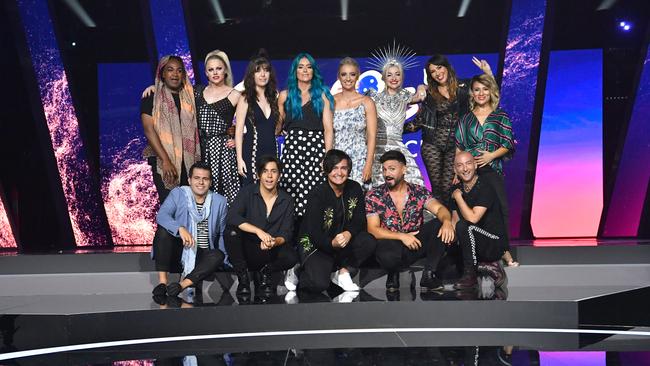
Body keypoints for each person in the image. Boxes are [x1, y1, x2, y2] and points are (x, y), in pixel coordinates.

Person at [407, 55, 492, 206]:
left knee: (448, 187)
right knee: (437, 189)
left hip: (455, 146)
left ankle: (449, 224)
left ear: (446, 66)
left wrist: (488, 73)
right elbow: (419, 121)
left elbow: (487, 93)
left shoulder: (464, 87)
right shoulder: (429, 94)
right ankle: (439, 225)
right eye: (432, 71)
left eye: (439, 67)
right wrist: (391, 129)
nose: (437, 73)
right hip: (432, 144)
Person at [366, 150, 455, 292]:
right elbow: (373, 229)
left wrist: (447, 222)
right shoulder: (374, 195)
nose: (387, 174)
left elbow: (440, 209)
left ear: (404, 169)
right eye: (384, 169)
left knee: (439, 224)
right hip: (391, 245)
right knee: (386, 251)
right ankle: (392, 274)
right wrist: (402, 236)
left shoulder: (418, 191)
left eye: (392, 169)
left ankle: (429, 274)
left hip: (415, 244)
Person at [455, 73, 517, 266]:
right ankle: (473, 253)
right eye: (476, 90)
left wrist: (490, 156)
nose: (481, 93)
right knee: (469, 213)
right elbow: (459, 147)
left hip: (492, 169)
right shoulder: (465, 119)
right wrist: (455, 174)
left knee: (500, 210)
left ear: (491, 92)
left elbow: (507, 144)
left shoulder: (501, 116)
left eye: (485, 89)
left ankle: (504, 251)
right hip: (468, 173)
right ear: (472, 94)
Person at [297, 150, 377, 293]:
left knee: (368, 241)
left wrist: (349, 233)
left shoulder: (354, 188)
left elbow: (360, 220)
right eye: (334, 168)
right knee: (318, 284)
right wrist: (331, 243)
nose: (339, 173)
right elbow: (313, 232)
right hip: (317, 244)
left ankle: (343, 273)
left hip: (343, 241)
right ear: (327, 170)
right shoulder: (318, 194)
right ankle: (297, 269)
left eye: (343, 168)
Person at [151, 162, 227, 297]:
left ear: (210, 182)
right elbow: (162, 216)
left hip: (202, 255)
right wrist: (179, 228)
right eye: (197, 178)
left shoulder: (219, 201)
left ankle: (180, 286)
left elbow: (222, 233)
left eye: (205, 179)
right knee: (163, 231)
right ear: (189, 180)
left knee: (218, 255)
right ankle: (162, 283)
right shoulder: (178, 194)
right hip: (179, 252)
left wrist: (225, 261)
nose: (201, 182)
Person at [225, 155, 298, 295]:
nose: (269, 176)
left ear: (279, 175)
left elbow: (286, 233)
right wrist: (258, 231)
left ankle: (265, 273)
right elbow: (232, 216)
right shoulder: (248, 192)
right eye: (265, 171)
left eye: (274, 171)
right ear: (259, 175)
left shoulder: (286, 200)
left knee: (291, 256)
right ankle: (243, 279)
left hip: (269, 250)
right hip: (248, 248)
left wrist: (274, 242)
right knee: (231, 232)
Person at [278, 53, 335, 218]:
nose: (305, 70)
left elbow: (328, 129)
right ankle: (291, 238)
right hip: (292, 150)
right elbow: (277, 128)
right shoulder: (285, 95)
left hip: (315, 149)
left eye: (309, 67)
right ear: (295, 71)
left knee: (313, 195)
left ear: (314, 71)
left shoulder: (322, 95)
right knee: (290, 193)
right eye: (301, 67)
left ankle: (310, 239)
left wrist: (327, 156)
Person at [140, 55, 201, 203]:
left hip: (189, 161)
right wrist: (166, 160)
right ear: (162, 73)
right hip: (164, 160)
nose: (175, 74)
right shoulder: (152, 97)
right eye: (170, 70)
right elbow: (149, 130)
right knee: (170, 208)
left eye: (179, 70)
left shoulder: (190, 96)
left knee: (190, 209)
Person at [450, 152, 508, 289]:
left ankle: (471, 275)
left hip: (492, 242)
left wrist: (458, 198)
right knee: (445, 230)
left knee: (465, 226)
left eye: (468, 163)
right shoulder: (455, 189)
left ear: (475, 165)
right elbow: (455, 220)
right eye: (460, 165)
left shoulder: (485, 187)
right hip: (471, 241)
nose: (465, 169)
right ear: (455, 170)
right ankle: (484, 266)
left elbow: (473, 218)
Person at [367, 56, 425, 187]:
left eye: (397, 74)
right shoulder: (373, 97)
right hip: (378, 148)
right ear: (383, 77)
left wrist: (422, 86)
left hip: (399, 147)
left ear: (402, 77)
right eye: (389, 75)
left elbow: (421, 96)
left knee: (411, 184)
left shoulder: (405, 96)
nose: (394, 78)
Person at [194, 50, 242, 205]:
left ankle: (229, 227)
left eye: (219, 68)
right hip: (201, 148)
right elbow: (173, 89)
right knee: (202, 191)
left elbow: (247, 123)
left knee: (226, 191)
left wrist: (238, 139)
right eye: (211, 69)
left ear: (225, 71)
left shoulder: (235, 94)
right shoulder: (197, 91)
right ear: (206, 73)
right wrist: (154, 87)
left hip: (223, 150)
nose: (215, 72)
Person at [235, 53, 281, 186]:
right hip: (252, 152)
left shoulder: (274, 98)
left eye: (266, 70)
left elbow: (277, 127)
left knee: (272, 192)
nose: (263, 74)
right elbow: (238, 131)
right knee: (253, 194)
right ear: (252, 74)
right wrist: (239, 159)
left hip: (272, 151)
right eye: (258, 71)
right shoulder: (245, 99)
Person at [332, 57, 377, 188]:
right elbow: (328, 132)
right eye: (344, 74)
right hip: (337, 161)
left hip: (359, 160)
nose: (348, 78)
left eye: (352, 74)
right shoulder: (331, 101)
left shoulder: (367, 102)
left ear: (357, 76)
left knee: (357, 202)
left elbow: (372, 137)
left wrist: (368, 164)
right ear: (339, 77)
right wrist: (328, 160)